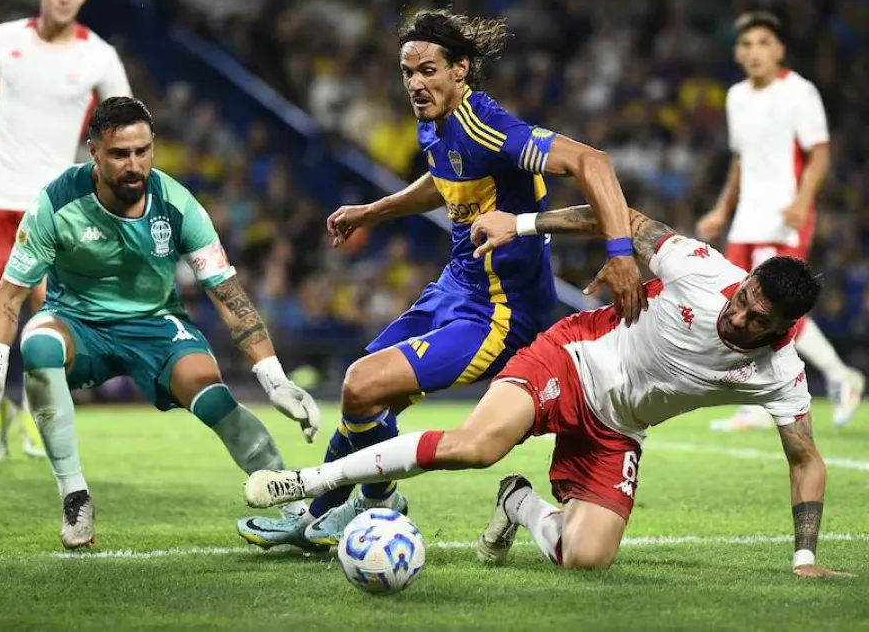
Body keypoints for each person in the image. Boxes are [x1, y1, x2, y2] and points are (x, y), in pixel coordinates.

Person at [244, 205, 854, 579]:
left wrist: (803, 558)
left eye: (756, 319)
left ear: (782, 330)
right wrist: (524, 224)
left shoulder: (780, 370)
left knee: (587, 558)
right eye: (744, 299)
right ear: (743, 281)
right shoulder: (700, 268)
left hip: (618, 429)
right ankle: (313, 482)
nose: (739, 316)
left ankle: (517, 504)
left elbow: (805, 459)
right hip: (571, 358)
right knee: (477, 445)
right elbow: (619, 217)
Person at [237, 8, 646, 551]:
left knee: (363, 385)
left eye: (428, 70)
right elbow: (445, 176)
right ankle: (331, 513)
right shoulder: (435, 122)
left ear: (461, 69)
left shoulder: (490, 126)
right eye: (408, 72)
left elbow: (593, 163)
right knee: (362, 401)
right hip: (455, 288)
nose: (415, 83)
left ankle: (369, 506)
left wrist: (621, 254)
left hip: (500, 312)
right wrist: (374, 211)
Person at [0, 97, 319, 549]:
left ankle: (295, 508)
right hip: (78, 323)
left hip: (157, 324)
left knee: (212, 395)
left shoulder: (178, 204)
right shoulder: (56, 202)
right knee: (39, 344)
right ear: (93, 151)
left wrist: (275, 380)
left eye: (143, 151)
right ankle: (75, 497)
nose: (135, 165)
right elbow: (9, 294)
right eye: (119, 154)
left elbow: (230, 297)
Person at [0, 0, 134, 463]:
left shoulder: (99, 56)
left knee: (45, 317)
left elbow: (128, 125)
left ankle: (29, 413)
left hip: (53, 205)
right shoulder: (3, 41)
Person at [696, 11, 864, 431]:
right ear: (737, 53)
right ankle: (755, 401)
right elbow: (740, 161)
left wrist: (801, 202)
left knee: (774, 304)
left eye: (763, 43)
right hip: (748, 215)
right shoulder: (736, 96)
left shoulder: (800, 93)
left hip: (783, 214)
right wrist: (721, 209)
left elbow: (820, 154)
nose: (754, 52)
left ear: (780, 50)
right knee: (739, 301)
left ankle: (842, 377)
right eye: (747, 44)